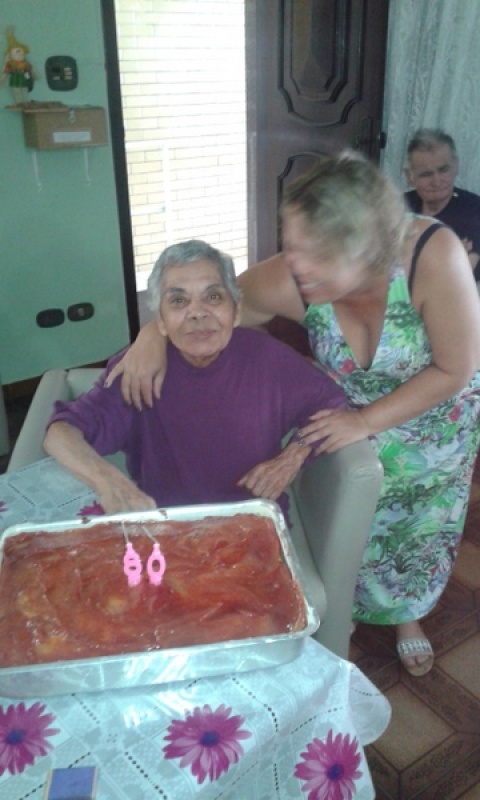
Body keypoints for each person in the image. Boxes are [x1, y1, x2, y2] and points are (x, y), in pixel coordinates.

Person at [105, 152, 480, 677]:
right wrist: (150, 333)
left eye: (316, 253)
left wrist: (367, 420)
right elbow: (212, 309)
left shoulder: (433, 257)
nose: (296, 264)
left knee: (416, 533)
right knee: (348, 527)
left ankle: (406, 617)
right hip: (337, 419)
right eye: (292, 243)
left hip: (432, 427)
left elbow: (455, 368)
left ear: (366, 249)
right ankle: (346, 606)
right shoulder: (293, 277)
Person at [43, 239, 346, 519]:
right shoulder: (137, 371)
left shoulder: (269, 359)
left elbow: (332, 402)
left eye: (213, 296)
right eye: (178, 301)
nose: (197, 313)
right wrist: (108, 482)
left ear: (236, 310)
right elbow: (60, 433)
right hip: (168, 530)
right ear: (159, 320)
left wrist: (292, 457)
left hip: (251, 524)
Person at [404, 128, 480, 278]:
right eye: (426, 174)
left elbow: (457, 279)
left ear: (456, 167)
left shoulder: (474, 210)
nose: (436, 181)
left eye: (443, 170)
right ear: (409, 177)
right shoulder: (399, 206)